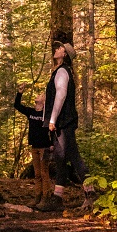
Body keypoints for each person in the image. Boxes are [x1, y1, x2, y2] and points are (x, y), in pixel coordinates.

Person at [35, 42, 88, 213]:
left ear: (64, 55)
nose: (56, 50)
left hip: (64, 122)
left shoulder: (63, 71)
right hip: (61, 123)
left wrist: (52, 119)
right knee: (60, 159)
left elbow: (61, 95)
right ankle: (57, 198)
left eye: (60, 49)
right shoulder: (60, 71)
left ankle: (91, 194)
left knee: (74, 157)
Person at [14, 84, 52, 208]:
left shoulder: (47, 114)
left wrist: (52, 144)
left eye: (41, 95)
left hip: (44, 147)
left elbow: (52, 129)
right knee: (37, 174)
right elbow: (17, 106)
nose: (38, 96)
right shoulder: (31, 112)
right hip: (34, 147)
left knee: (44, 172)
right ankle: (37, 196)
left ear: (44, 101)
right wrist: (20, 93)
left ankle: (46, 197)